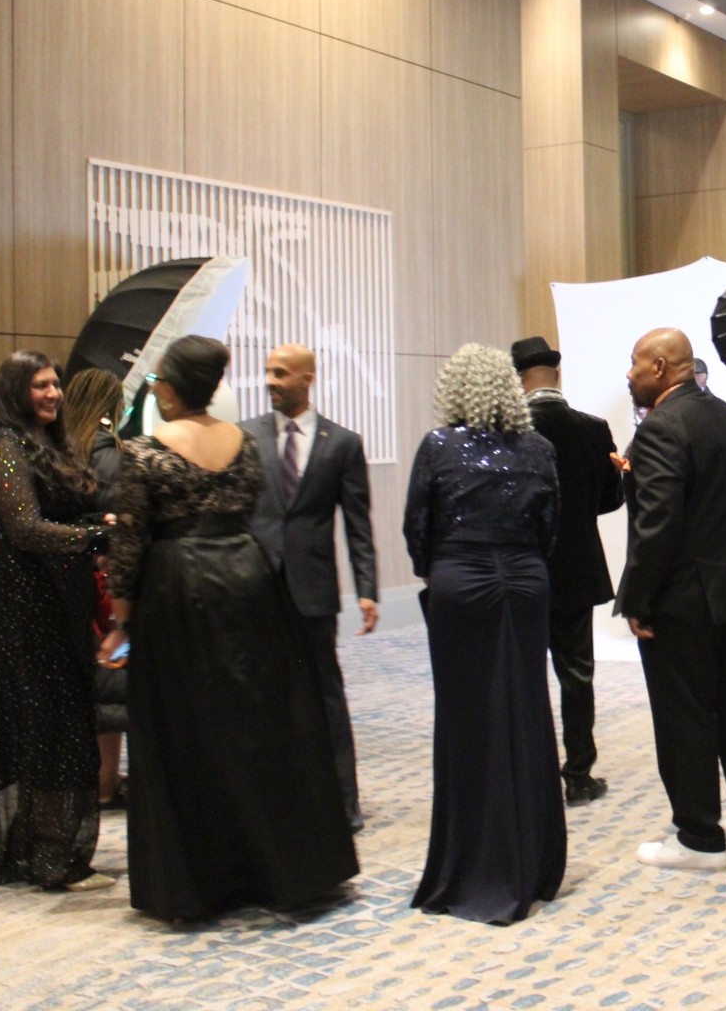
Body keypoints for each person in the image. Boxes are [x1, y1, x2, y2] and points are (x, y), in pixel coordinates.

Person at [100, 335, 357, 922]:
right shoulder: (244, 442)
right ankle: (272, 865)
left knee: (187, 730)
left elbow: (129, 544)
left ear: (171, 390)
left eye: (158, 381)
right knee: (257, 723)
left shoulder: (144, 451)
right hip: (248, 582)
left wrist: (119, 622)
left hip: (179, 589)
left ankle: (200, 878)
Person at [404, 344, 564, 922]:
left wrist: (443, 569)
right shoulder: (539, 449)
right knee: (526, 710)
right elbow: (550, 528)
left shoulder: (438, 446)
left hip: (460, 584)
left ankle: (468, 865)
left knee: (466, 719)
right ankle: (532, 860)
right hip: (524, 582)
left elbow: (417, 528)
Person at [618, 327, 726, 870]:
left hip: (685, 598)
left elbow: (657, 526)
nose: (629, 374)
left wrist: (637, 599)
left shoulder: (660, 427)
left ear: (660, 367)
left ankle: (698, 838)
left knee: (683, 713)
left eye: (635, 363)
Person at [0, 351, 114, 892]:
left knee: (62, 721)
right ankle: (49, 858)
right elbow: (26, 529)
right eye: (39, 385)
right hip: (22, 605)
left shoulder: (48, 443)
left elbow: (57, 515)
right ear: (16, 391)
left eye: (55, 384)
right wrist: (98, 536)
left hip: (58, 600)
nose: (53, 393)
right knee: (43, 726)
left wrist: (94, 520)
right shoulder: (3, 446)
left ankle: (47, 849)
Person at [241, 344, 378, 833]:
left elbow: (357, 522)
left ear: (307, 378)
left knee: (324, 696)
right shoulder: (245, 437)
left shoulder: (341, 443)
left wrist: (367, 587)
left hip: (313, 589)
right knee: (261, 697)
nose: (270, 381)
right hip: (256, 585)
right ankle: (273, 798)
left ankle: (343, 800)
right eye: (267, 373)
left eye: (281, 373)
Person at [512, 335, 624, 806]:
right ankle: (578, 775)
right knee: (577, 674)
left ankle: (529, 775)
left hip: (522, 570)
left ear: (518, 380)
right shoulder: (593, 429)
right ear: (557, 375)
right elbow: (612, 499)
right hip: (578, 567)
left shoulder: (509, 432)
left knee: (524, 675)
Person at [61, 365, 130, 811]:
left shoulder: (61, 451)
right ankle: (104, 784)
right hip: (104, 585)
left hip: (67, 581)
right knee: (111, 681)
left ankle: (89, 780)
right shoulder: (111, 454)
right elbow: (120, 527)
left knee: (82, 684)